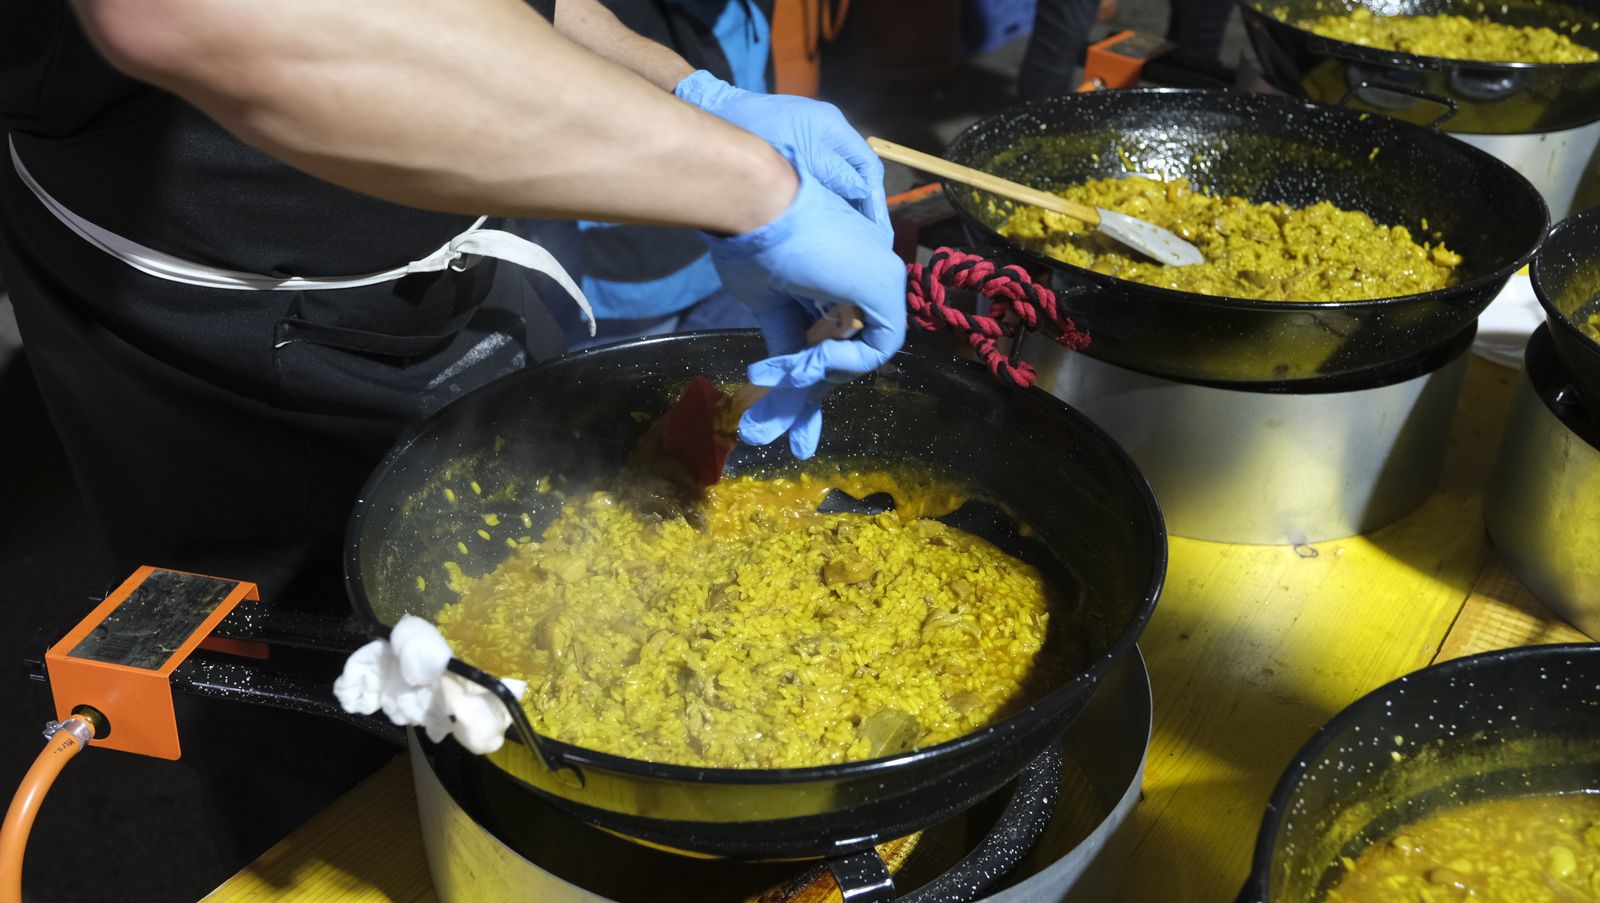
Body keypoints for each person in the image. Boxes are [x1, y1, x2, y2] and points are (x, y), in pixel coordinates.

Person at [0, 0, 903, 872]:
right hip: (212, 318)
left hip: (461, 247)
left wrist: (692, 96)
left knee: (519, 615)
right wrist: (745, 184)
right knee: (306, 749)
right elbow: (203, 14)